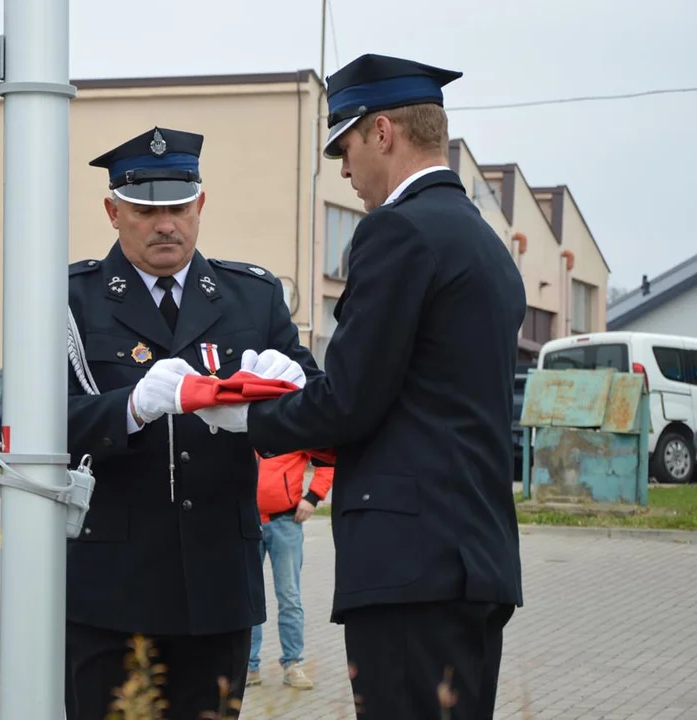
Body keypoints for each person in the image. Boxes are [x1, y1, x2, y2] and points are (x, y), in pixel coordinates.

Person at [200, 54, 527, 719]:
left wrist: (244, 415)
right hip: (473, 555)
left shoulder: (397, 231)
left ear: (382, 133)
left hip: (408, 563)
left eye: (344, 147)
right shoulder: (484, 243)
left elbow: (350, 399)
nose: (342, 169)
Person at [64, 126, 320, 720]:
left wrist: (287, 395)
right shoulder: (71, 300)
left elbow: (311, 415)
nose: (165, 224)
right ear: (112, 211)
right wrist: (128, 409)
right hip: (111, 587)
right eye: (146, 209)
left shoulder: (252, 297)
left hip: (217, 583)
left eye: (179, 206)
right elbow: (33, 427)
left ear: (200, 205)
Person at [246, 451, 334, 690]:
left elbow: (327, 459)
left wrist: (314, 496)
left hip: (285, 522)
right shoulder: (243, 423)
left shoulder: (290, 423)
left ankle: (293, 663)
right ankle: (248, 665)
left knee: (289, 597)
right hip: (247, 524)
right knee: (247, 599)